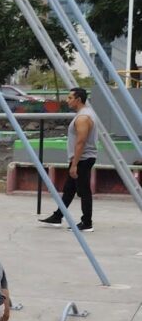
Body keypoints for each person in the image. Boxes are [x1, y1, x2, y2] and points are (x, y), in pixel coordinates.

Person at [38, 87, 98, 233]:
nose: (67, 100)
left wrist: (74, 164)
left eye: (70, 98)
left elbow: (81, 142)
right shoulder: (83, 114)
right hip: (81, 158)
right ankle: (58, 216)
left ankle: (87, 223)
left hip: (83, 159)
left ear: (78, 99)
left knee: (83, 190)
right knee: (69, 189)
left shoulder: (83, 117)